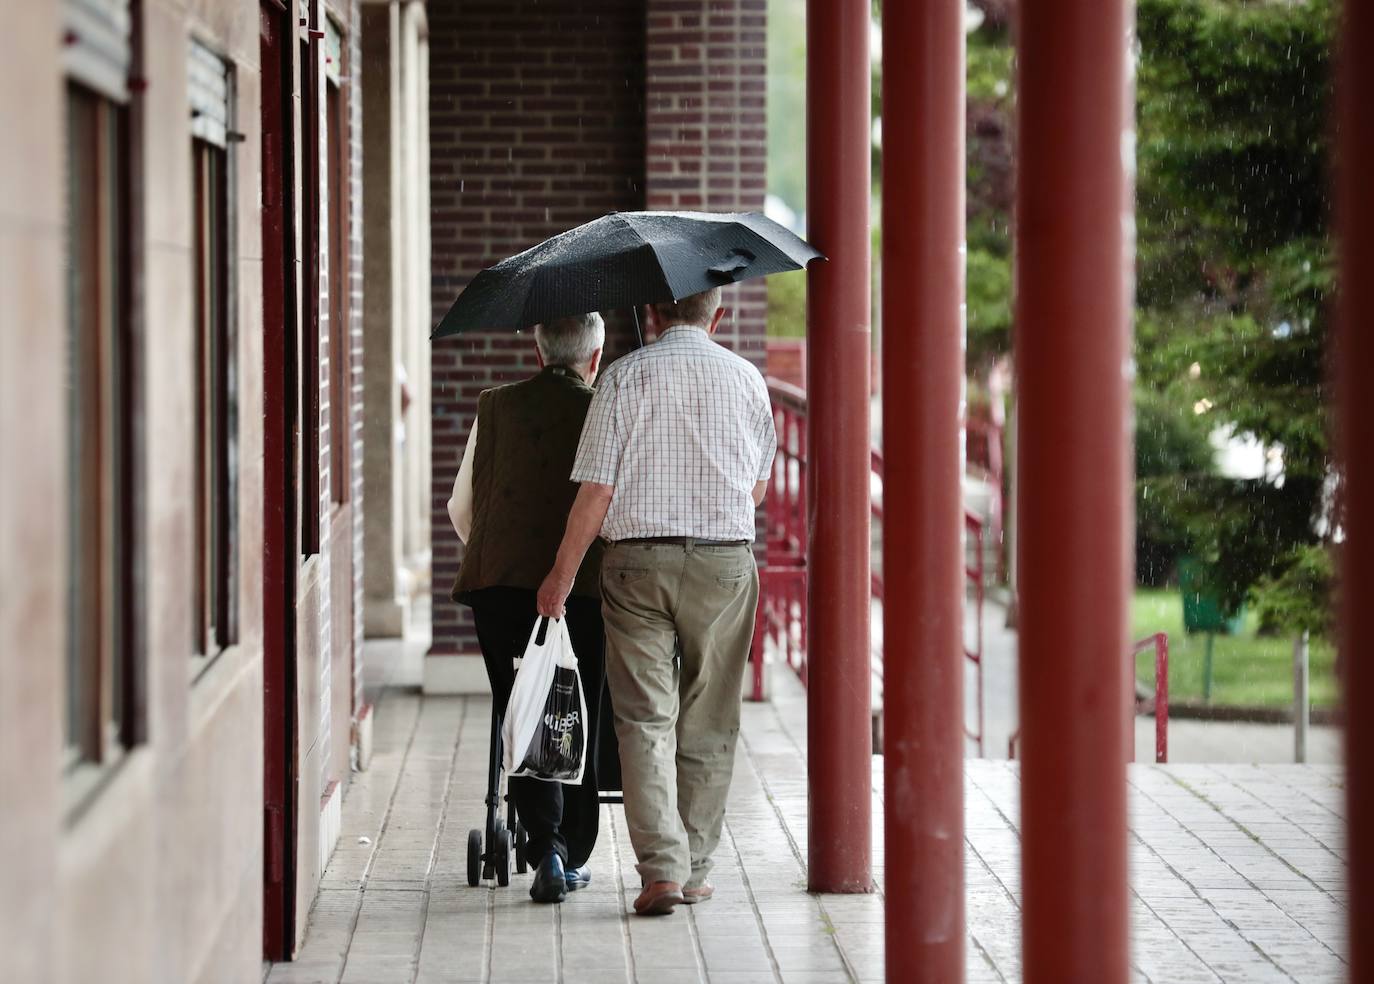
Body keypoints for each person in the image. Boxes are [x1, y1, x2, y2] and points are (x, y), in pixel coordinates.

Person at [536, 287, 776, 917]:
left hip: (636, 564)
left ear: (651, 314)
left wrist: (560, 577)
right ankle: (696, 869)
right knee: (710, 717)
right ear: (716, 316)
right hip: (725, 564)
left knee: (644, 719)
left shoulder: (621, 377)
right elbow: (756, 485)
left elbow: (596, 491)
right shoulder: (748, 380)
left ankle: (660, 871)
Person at [448, 312, 608, 904]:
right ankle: (561, 848)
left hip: (499, 589)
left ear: (539, 354)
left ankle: (541, 842)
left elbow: (463, 507)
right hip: (581, 592)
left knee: (522, 706)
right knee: (573, 707)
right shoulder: (602, 407)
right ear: (595, 358)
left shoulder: (494, 407)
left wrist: (504, 560)